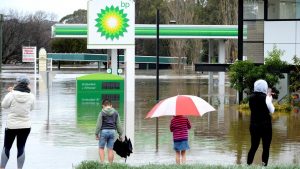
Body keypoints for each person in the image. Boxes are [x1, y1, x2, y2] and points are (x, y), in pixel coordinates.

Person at [0, 75, 35, 169]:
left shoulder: (11, 94)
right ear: (27, 84)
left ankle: (2, 167)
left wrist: (11, 92)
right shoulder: (31, 96)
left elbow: (4, 105)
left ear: (18, 83)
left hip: (11, 125)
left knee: (6, 147)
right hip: (26, 126)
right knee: (21, 147)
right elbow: (32, 108)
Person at [247, 79, 275, 166]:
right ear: (265, 87)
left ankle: (248, 165)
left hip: (254, 125)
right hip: (265, 126)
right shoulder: (266, 97)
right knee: (266, 147)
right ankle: (264, 166)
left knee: (254, 146)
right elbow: (272, 110)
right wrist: (270, 98)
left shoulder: (250, 97)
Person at [95, 99, 123, 163]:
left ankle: (102, 163)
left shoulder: (101, 113)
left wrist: (96, 134)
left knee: (101, 148)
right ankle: (110, 165)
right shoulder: (116, 112)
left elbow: (98, 124)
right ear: (111, 105)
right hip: (113, 132)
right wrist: (120, 134)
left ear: (103, 106)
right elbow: (119, 124)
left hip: (104, 132)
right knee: (110, 149)